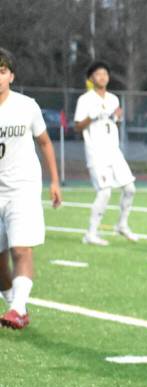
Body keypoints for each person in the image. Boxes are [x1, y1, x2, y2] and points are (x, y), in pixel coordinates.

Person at [0, 48, 62, 330]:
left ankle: (17, 308)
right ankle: (16, 307)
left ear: (11, 76)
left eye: (2, 71)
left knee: (21, 249)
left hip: (22, 188)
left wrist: (54, 181)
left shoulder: (27, 106)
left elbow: (45, 142)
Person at [74, 60, 137, 246]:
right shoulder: (85, 100)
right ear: (91, 78)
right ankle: (91, 234)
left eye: (105, 74)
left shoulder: (113, 99)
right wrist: (91, 116)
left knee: (130, 189)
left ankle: (122, 225)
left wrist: (117, 117)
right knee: (105, 192)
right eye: (98, 74)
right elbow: (77, 126)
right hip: (96, 153)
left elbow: (112, 122)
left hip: (114, 152)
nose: (102, 77)